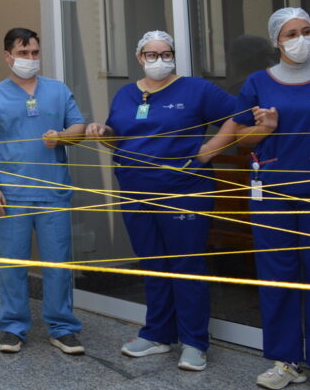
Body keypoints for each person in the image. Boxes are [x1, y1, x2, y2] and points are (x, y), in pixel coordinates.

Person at [205, 8, 310, 390]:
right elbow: (244, 142)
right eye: (291, 33)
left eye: (306, 31)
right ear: (277, 40)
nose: (301, 38)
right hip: (271, 197)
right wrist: (264, 128)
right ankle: (286, 361)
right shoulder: (259, 82)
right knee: (278, 278)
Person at [85, 30, 236, 372]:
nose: (158, 60)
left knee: (186, 265)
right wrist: (103, 133)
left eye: (165, 53)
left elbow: (239, 116)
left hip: (184, 190)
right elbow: (118, 139)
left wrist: (209, 151)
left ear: (173, 56)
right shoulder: (126, 94)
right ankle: (157, 334)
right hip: (136, 191)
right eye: (151, 55)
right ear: (139, 58)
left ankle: (195, 342)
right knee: (152, 262)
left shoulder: (197, 89)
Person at [0, 27, 86, 356]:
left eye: (35, 53)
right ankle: (12, 328)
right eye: (23, 54)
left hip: (53, 193)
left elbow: (79, 128)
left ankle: (62, 328)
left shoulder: (57, 90)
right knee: (12, 266)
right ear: (8, 56)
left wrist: (63, 137)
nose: (30, 59)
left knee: (58, 265)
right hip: (12, 194)